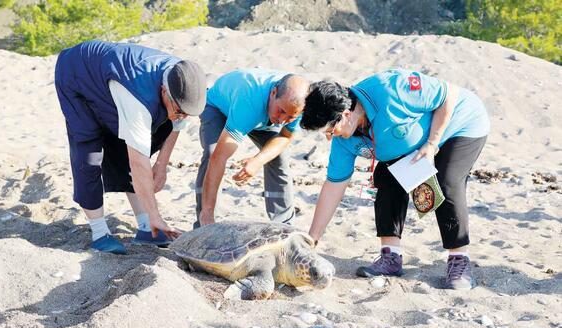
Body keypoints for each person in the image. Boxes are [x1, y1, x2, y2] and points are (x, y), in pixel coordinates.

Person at [302, 69, 489, 290]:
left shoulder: (392, 88)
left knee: (447, 180)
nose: (329, 136)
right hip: (409, 144)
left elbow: (449, 94)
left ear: (345, 114)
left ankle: (459, 261)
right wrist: (311, 240)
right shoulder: (343, 141)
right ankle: (391, 257)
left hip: (460, 123)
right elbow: (334, 185)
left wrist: (432, 143)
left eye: (330, 130)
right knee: (385, 178)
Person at [55, 40, 206, 254]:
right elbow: (138, 161)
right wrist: (156, 215)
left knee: (145, 134)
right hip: (76, 74)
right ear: (164, 91)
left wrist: (162, 164)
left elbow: (176, 126)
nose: (181, 116)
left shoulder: (185, 81)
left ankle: (146, 229)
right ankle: (100, 233)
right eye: (179, 110)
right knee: (88, 149)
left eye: (186, 113)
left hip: (111, 80)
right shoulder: (137, 96)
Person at [195, 69, 309, 228]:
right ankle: (204, 222)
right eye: (281, 111)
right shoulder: (248, 101)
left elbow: (285, 137)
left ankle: (284, 226)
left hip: (262, 117)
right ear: (273, 92)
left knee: (278, 157)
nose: (283, 120)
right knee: (212, 153)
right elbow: (218, 158)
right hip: (218, 108)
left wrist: (257, 161)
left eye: (290, 117)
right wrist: (207, 211)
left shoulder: (297, 105)